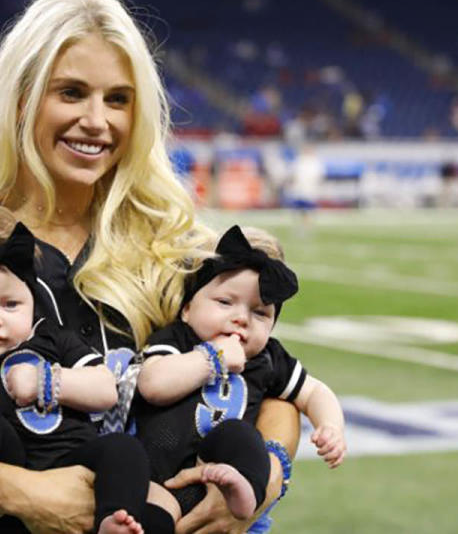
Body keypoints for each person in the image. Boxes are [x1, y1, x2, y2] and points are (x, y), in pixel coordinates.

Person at [0, 0, 301, 532]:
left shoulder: (182, 249)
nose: (96, 121)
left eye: (119, 99)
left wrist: (268, 475)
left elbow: (275, 387)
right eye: (71, 93)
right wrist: (24, 493)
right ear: (21, 99)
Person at [0, 205, 172, 533]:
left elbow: (106, 390)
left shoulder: (52, 339)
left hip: (75, 462)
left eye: (10, 305)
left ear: (31, 303)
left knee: (124, 448)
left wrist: (46, 382)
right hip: (7, 481)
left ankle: (115, 518)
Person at [135, 225, 347, 525]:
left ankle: (245, 490)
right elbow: (152, 385)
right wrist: (213, 357)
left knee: (242, 436)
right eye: (225, 302)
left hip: (224, 484)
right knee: (151, 519)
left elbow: (314, 392)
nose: (241, 318)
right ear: (186, 308)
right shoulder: (178, 340)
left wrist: (331, 427)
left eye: (260, 313)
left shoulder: (267, 358)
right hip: (159, 483)